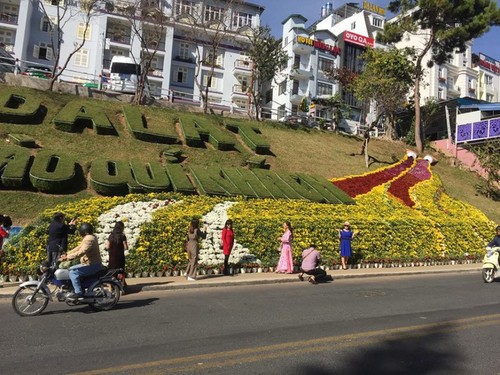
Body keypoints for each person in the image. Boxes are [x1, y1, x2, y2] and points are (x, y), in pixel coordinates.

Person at [59, 223, 103, 299]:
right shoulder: (90, 237)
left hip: (92, 265)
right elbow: (79, 247)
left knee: (73, 273)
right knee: (70, 269)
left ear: (85, 232)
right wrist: (67, 254)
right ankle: (74, 288)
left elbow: (82, 252)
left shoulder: (89, 239)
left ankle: (78, 293)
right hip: (88, 263)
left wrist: (67, 258)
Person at [105, 221, 129, 289]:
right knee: (121, 271)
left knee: (112, 272)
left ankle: (111, 287)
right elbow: (126, 247)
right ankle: (122, 286)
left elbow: (107, 247)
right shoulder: (122, 236)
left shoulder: (111, 236)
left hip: (112, 257)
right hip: (120, 257)